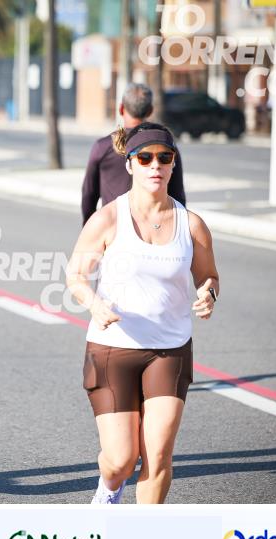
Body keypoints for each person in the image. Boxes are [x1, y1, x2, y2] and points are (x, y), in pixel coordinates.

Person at [66, 122, 219, 504]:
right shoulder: (108, 219)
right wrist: (94, 303)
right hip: (112, 349)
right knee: (121, 460)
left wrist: (209, 293)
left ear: (173, 164)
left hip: (169, 350)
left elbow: (208, 276)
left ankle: (144, 535)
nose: (156, 166)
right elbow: (76, 275)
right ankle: (109, 488)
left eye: (164, 158)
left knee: (159, 456)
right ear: (130, 163)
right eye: (145, 158)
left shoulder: (192, 224)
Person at [81, 84, 186, 225]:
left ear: (121, 108)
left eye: (163, 158)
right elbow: (177, 194)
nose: (154, 164)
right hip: (155, 228)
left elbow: (89, 194)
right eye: (144, 158)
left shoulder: (103, 147)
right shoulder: (166, 147)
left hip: (113, 226)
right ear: (150, 110)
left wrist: (90, 226)